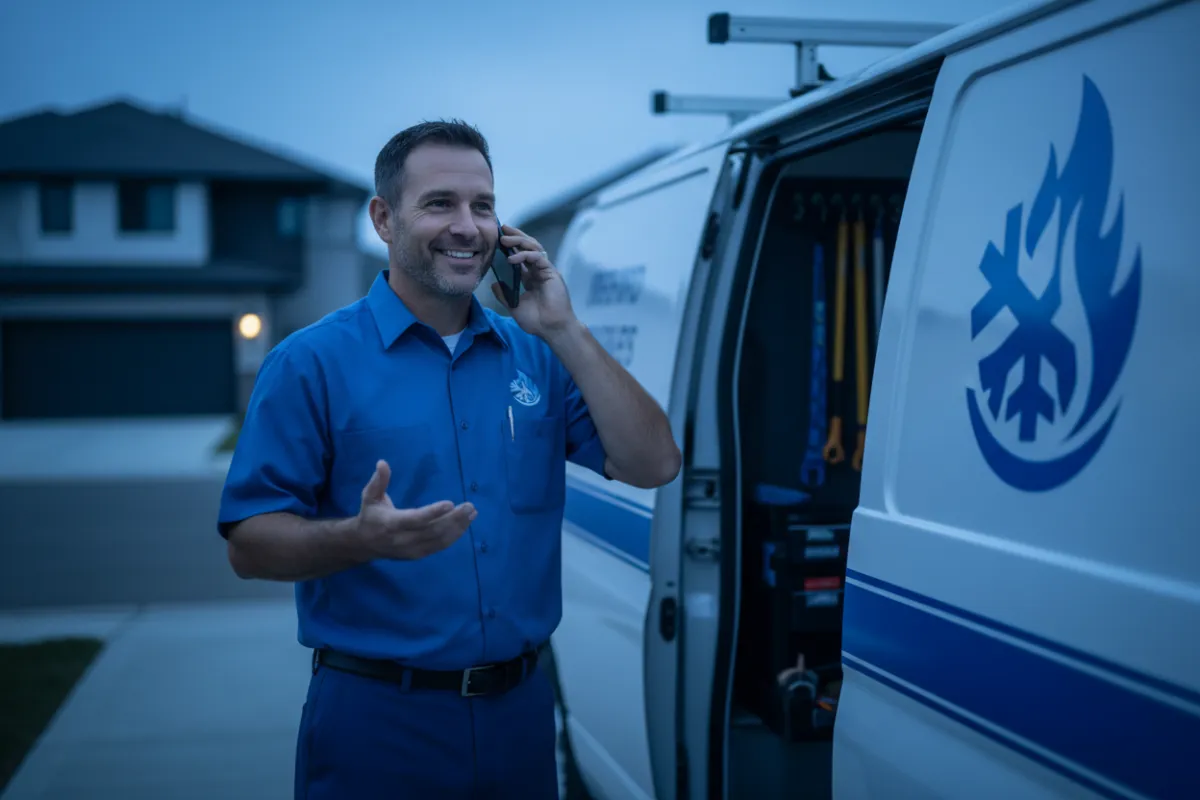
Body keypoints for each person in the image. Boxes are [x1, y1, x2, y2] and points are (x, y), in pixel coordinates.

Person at [216, 119, 681, 800]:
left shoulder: (538, 358)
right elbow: (249, 546)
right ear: (383, 218)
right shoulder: (309, 363)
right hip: (377, 722)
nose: (468, 226)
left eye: (483, 206)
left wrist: (564, 328)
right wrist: (358, 539)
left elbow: (654, 463)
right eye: (440, 204)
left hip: (521, 714)